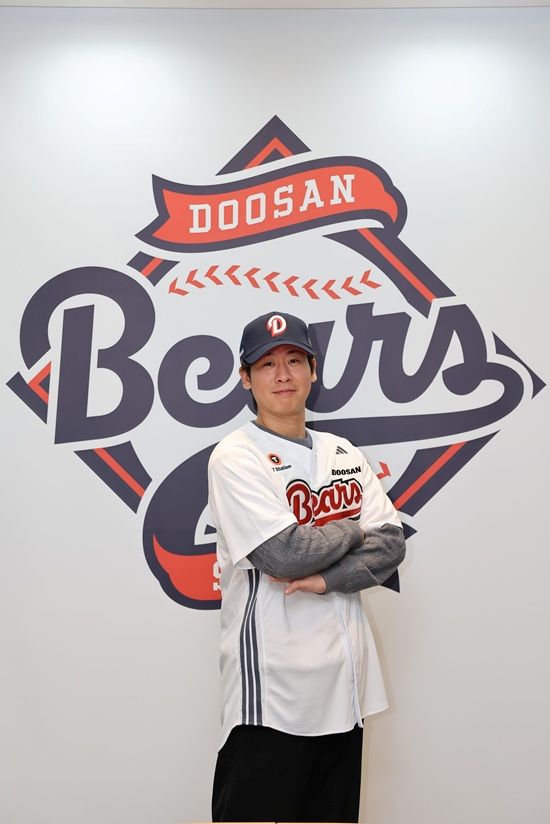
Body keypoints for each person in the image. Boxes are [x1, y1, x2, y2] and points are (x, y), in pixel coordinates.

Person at [208, 310, 405, 823]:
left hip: (346, 683)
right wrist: (354, 529)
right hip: (272, 690)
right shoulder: (236, 456)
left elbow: (391, 545)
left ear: (313, 371)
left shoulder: (344, 452)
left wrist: (327, 578)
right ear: (245, 378)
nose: (283, 374)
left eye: (295, 360)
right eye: (266, 364)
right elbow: (284, 554)